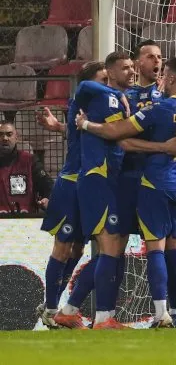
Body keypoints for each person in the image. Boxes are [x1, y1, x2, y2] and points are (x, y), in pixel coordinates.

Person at [75, 58, 176, 328]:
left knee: (146, 248)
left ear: (170, 78)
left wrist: (86, 125)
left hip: (152, 183)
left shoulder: (158, 107)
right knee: (175, 247)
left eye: (163, 68)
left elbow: (119, 135)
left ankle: (161, 313)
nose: (158, 71)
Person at [36, 61, 122, 327]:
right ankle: (52, 310)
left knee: (77, 248)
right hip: (71, 182)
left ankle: (54, 306)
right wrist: (117, 93)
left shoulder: (95, 106)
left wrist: (59, 128)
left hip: (88, 183)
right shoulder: (84, 96)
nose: (106, 85)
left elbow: (78, 131)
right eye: (102, 80)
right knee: (62, 247)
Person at [53, 52, 133, 330]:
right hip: (96, 178)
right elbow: (84, 85)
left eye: (132, 67)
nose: (131, 72)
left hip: (110, 181)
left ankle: (74, 310)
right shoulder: (97, 95)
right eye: (125, 68)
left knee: (112, 250)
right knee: (109, 247)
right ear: (109, 74)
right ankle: (99, 317)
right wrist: (113, 92)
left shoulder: (114, 100)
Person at [0, 121, 52, 215]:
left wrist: (47, 198)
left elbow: (48, 185)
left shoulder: (29, 160)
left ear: (16, 138)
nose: (4, 138)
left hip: (27, 219)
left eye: (9, 134)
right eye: (0, 135)